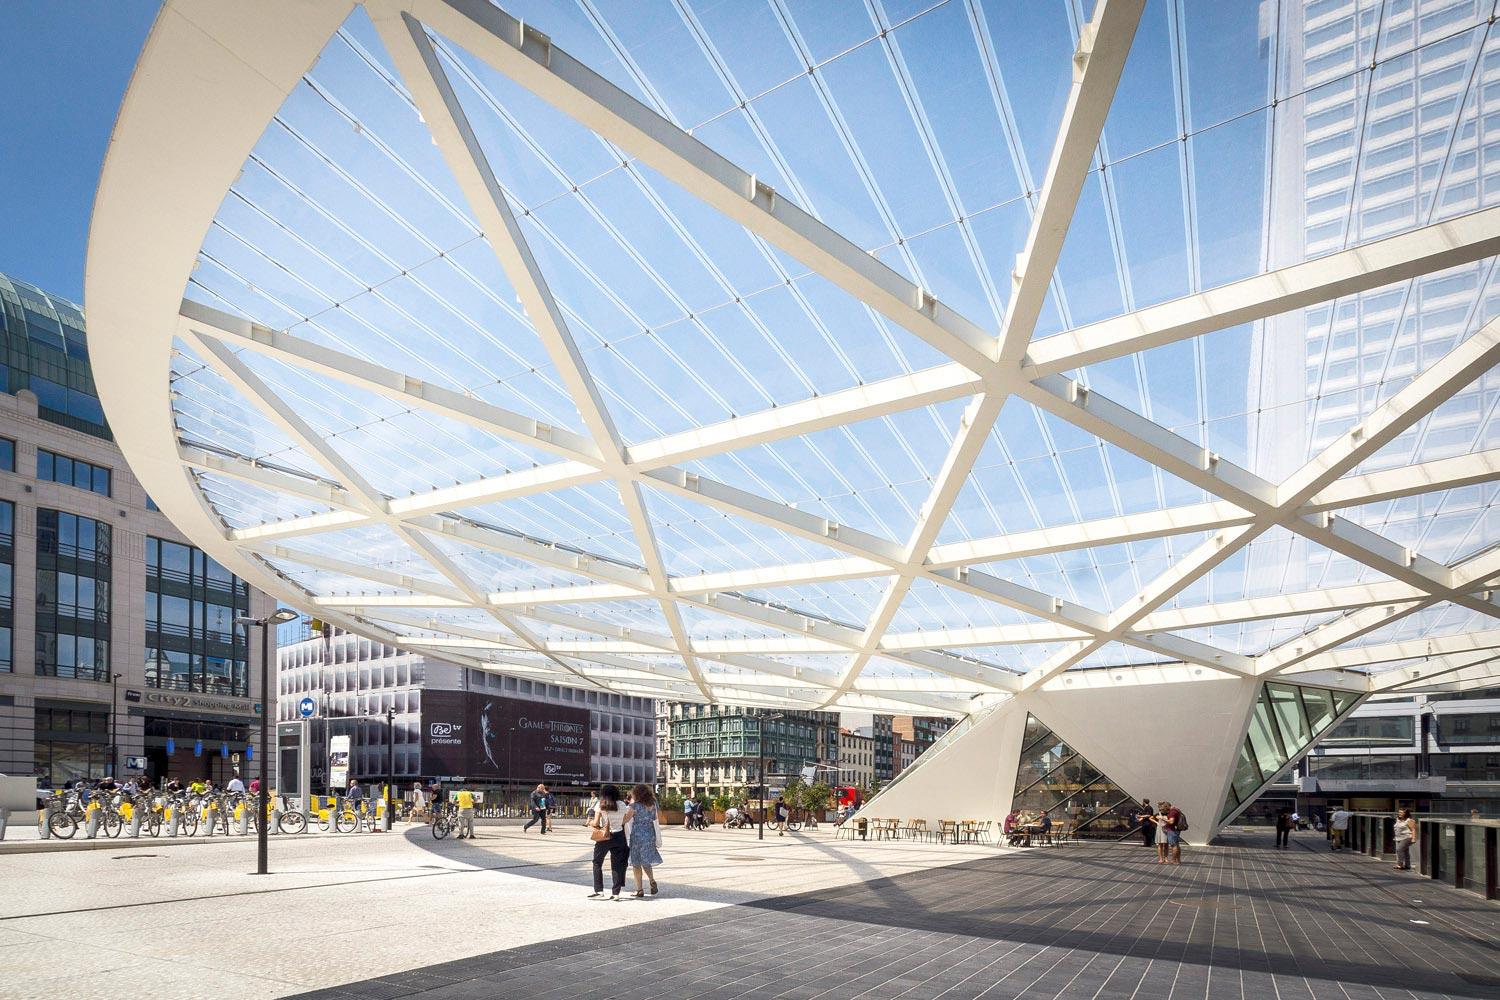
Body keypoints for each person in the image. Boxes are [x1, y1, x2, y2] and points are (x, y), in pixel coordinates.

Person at [588, 784, 630, 900]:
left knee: (597, 862)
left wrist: (590, 823)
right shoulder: (621, 804)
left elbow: (596, 823)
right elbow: (625, 820)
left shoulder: (601, 804)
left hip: (605, 837)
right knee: (617, 865)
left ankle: (599, 891)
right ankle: (616, 893)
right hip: (619, 836)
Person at [626, 783, 663, 898]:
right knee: (646, 860)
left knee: (636, 863)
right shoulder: (652, 805)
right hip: (649, 835)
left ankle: (640, 890)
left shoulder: (634, 806)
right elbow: (655, 819)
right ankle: (651, 880)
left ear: (636, 794)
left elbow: (625, 819)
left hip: (637, 835)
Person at [1157, 801, 1184, 865]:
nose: (1165, 811)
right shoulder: (1176, 810)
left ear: (1167, 807)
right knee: (1177, 845)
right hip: (1175, 830)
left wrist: (1162, 818)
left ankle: (1174, 860)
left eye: (1164, 809)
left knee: (1173, 845)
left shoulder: (1172, 812)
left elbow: (1171, 822)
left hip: (1172, 831)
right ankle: (1178, 860)